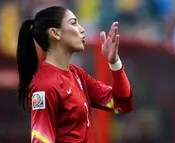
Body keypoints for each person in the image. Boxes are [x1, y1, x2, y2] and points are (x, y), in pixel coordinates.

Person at [16, 6, 133, 143]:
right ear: (55, 33)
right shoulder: (44, 86)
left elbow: (122, 104)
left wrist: (114, 63)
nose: (82, 29)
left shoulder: (77, 75)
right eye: (73, 23)